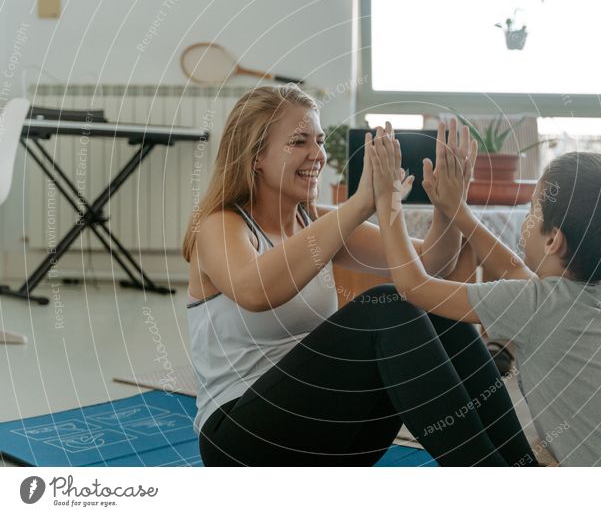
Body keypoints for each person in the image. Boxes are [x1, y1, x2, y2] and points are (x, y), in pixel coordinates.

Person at [183, 85, 536, 466]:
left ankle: (522, 470)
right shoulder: (219, 227)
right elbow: (255, 290)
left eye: (318, 141)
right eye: (299, 141)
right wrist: (362, 201)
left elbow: (430, 267)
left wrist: (449, 205)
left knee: (434, 311)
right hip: (242, 439)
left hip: (322, 428)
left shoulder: (314, 221)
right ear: (255, 157)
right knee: (387, 305)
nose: (317, 155)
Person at [367, 131, 601, 467]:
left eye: (532, 210)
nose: (526, 217)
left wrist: (388, 202)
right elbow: (513, 268)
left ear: (553, 241)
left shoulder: (536, 305)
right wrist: (457, 209)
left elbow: (413, 286)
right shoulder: (596, 295)